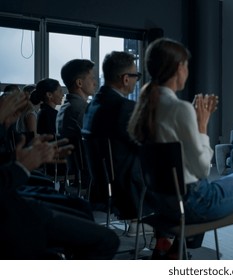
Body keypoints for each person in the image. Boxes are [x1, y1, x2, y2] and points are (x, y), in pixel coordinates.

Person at [127, 37, 233, 260]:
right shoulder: (179, 109)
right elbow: (203, 169)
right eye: (186, 65)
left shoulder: (145, 108)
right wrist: (202, 125)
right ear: (178, 68)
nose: (187, 71)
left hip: (161, 203)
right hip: (195, 203)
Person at [0, 91, 120, 260]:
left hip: (19, 191)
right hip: (9, 210)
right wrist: (21, 166)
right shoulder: (77, 109)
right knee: (107, 239)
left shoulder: (62, 110)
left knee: (81, 207)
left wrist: (14, 149)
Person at [82, 51, 147, 231]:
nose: (137, 81)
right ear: (126, 79)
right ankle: (152, 226)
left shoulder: (92, 106)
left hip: (100, 184)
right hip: (127, 188)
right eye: (136, 76)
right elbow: (148, 144)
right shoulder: (124, 108)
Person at [57, 59, 97, 194]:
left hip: (74, 171)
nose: (95, 82)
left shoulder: (64, 108)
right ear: (79, 83)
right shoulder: (82, 110)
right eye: (91, 78)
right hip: (88, 174)